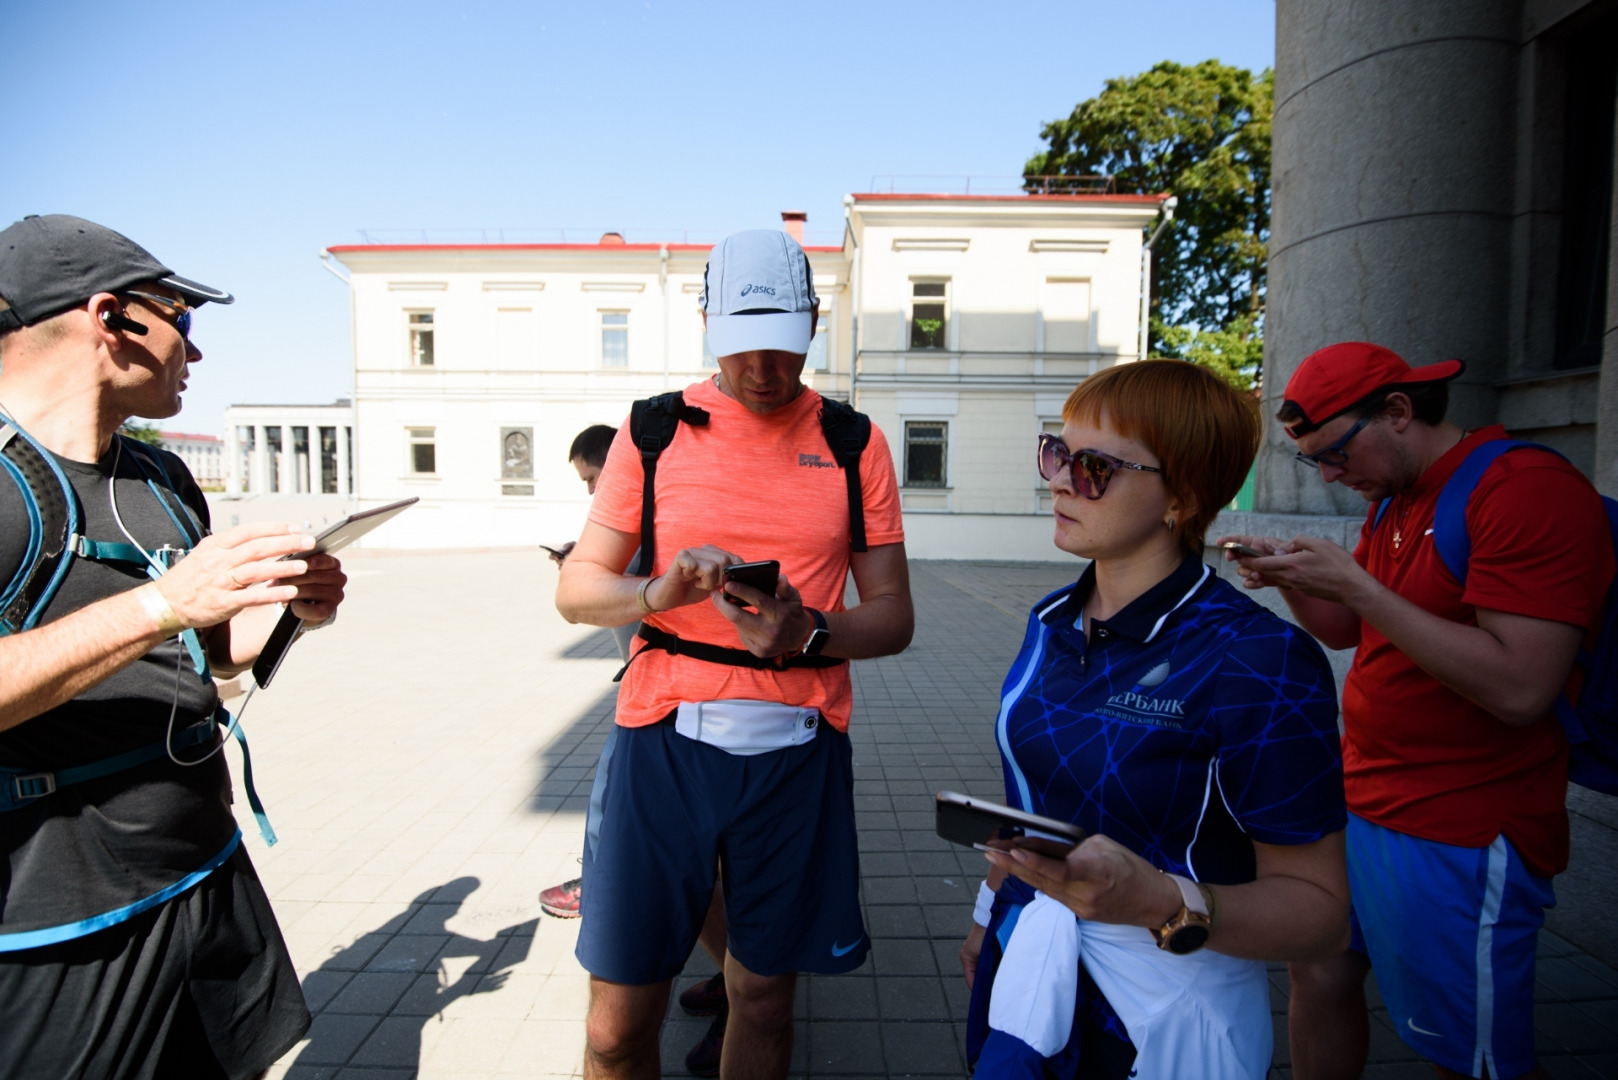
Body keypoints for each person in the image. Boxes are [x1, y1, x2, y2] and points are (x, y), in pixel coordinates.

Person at [555, 228, 913, 1080]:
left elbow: (895, 617)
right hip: (662, 737)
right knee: (613, 1029)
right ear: (707, 321)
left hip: (797, 752)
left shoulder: (853, 440)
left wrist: (809, 633)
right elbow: (576, 591)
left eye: (783, 347)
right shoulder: (652, 433)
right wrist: (657, 592)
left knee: (763, 999)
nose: (762, 370)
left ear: (814, 323)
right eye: (740, 346)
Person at [0, 215, 348, 1078]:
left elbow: (215, 654)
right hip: (63, 923)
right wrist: (160, 603)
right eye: (181, 322)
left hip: (203, 868)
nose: (195, 355)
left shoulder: (160, 477)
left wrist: (294, 611)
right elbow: (164, 614)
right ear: (110, 317)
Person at [1218, 341, 1615, 1080]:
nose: (1333, 476)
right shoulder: (1396, 498)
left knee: (1461, 1051)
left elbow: (1522, 688)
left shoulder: (1523, 489)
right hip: (1365, 800)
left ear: (1399, 413)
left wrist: (1361, 588)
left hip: (1460, 826)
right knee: (1319, 971)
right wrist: (1295, 580)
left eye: (1335, 453)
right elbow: (1350, 631)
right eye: (1315, 463)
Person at [961, 360, 1350, 1079]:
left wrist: (1166, 902)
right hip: (1030, 953)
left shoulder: (1259, 657)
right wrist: (991, 914)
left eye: (1094, 466)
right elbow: (1033, 800)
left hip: (1165, 1001)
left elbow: (1322, 912)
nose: (1058, 480)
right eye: (1057, 452)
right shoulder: (1051, 618)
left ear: (1185, 497)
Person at [540, 421, 731, 1074]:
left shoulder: (658, 512)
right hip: (651, 704)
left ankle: (738, 986)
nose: (595, 492)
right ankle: (732, 978)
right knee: (692, 870)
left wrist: (605, 580)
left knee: (682, 865)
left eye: (593, 479)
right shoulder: (631, 521)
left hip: (670, 719)